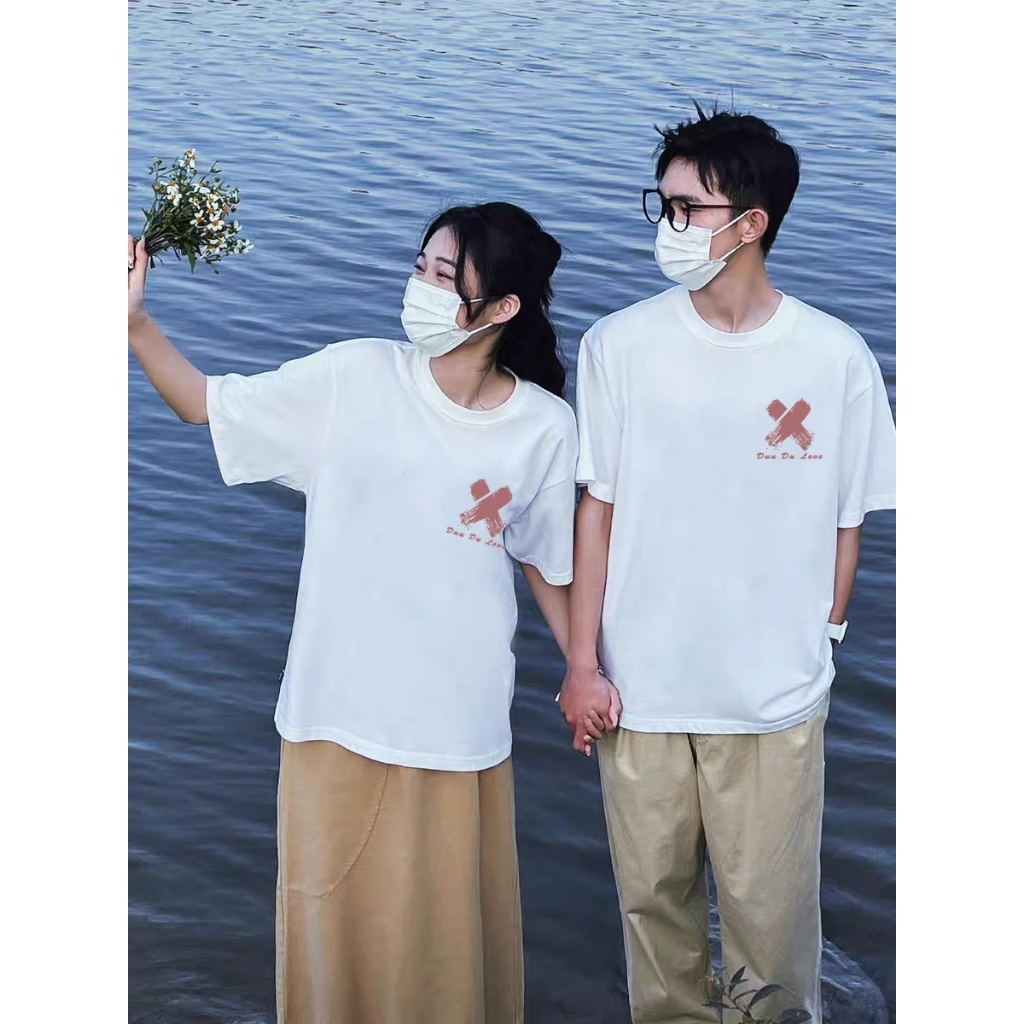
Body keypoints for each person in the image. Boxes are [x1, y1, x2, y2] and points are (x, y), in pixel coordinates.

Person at [127, 200, 578, 1024]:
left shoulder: (544, 428)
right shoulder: (355, 377)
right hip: (336, 710)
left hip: (456, 723)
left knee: (444, 941)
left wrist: (585, 673)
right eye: (420, 267)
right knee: (329, 926)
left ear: (502, 307)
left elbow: (552, 567)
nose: (421, 287)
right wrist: (134, 323)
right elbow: (205, 405)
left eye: (445, 277)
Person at [558, 105, 896, 1023]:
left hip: (772, 697)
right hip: (641, 692)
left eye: (687, 209)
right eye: (662, 205)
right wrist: (583, 666)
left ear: (752, 223)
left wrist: (822, 640)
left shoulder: (833, 358)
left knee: (771, 928)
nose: (667, 225)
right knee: (653, 912)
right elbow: (596, 512)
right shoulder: (619, 346)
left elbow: (848, 521)